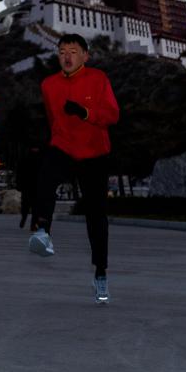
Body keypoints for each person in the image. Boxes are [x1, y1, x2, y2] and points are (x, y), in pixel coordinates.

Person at [29, 34, 119, 305]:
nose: (67, 57)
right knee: (45, 178)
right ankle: (43, 232)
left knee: (96, 214)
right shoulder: (49, 85)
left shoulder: (98, 79)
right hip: (63, 146)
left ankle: (100, 272)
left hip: (94, 152)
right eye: (62, 52)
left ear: (85, 56)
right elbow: (52, 118)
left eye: (73, 51)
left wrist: (85, 112)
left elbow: (112, 115)